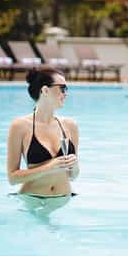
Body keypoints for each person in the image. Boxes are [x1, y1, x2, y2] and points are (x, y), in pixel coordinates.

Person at [6, 68, 79, 216]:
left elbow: (73, 175)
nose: (66, 93)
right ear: (45, 90)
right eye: (62, 88)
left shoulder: (70, 125)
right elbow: (13, 178)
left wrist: (74, 164)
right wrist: (49, 167)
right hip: (32, 199)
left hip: (64, 199)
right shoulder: (20, 126)